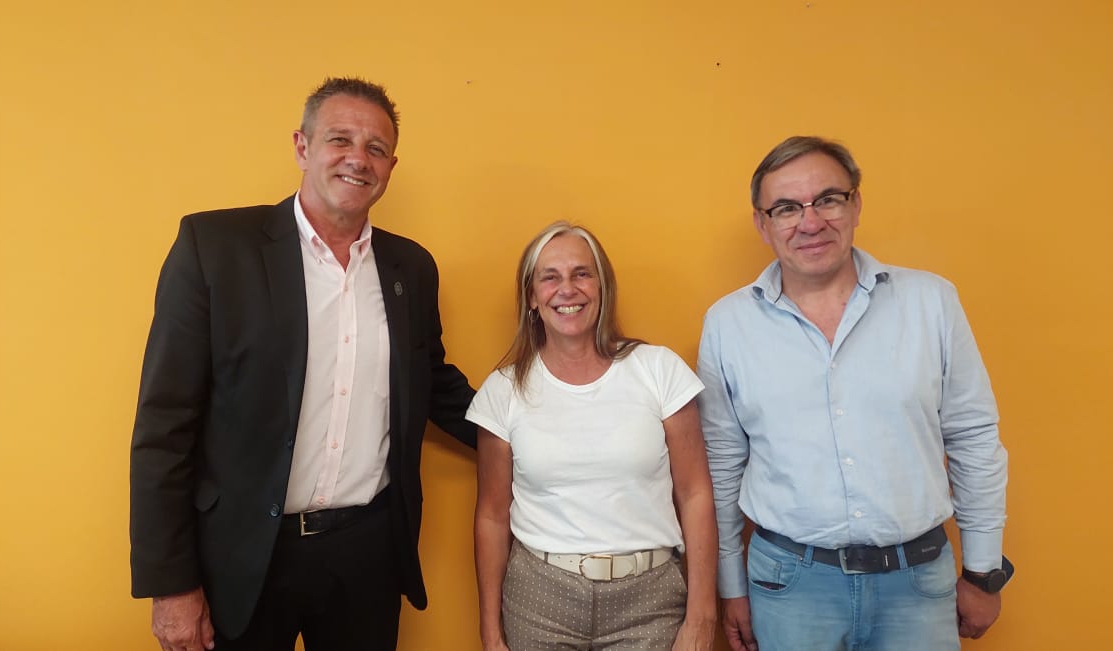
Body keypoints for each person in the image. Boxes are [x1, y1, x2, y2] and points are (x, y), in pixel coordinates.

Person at [129, 77, 476, 651]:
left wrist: (536, 438)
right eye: (340, 139)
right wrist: (170, 585)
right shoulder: (215, 247)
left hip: (366, 555)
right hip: (242, 558)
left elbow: (433, 382)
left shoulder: (411, 267)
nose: (358, 158)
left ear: (390, 166)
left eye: (376, 148)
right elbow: (164, 425)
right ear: (302, 146)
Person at [698, 136, 1011, 651]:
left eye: (827, 199)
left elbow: (973, 438)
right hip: (788, 589)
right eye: (786, 208)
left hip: (918, 585)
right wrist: (731, 586)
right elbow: (723, 464)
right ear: (762, 224)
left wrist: (983, 571)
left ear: (856, 204)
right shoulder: (728, 324)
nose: (810, 222)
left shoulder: (931, 302)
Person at [470, 222, 718, 651]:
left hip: (651, 599)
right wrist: (490, 633)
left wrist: (702, 615)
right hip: (540, 601)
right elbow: (492, 516)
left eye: (582, 274)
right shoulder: (503, 390)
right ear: (532, 297)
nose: (567, 289)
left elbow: (695, 494)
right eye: (550, 277)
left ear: (602, 286)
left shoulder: (658, 370)